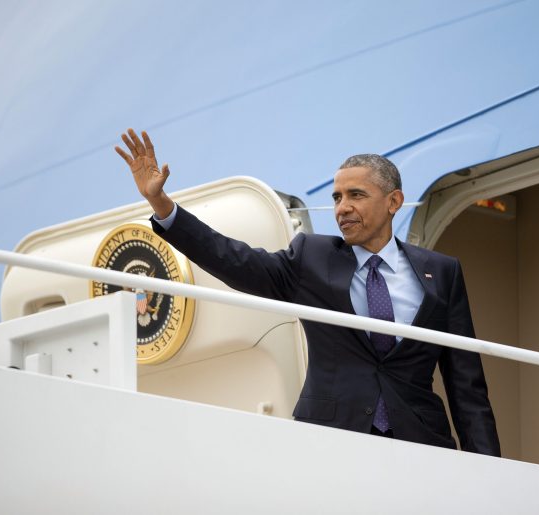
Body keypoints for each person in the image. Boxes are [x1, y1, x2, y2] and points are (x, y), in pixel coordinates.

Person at [115, 128, 501, 456]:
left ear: (394, 202)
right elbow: (234, 260)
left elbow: (467, 386)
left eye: (356, 195)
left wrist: (491, 473)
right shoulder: (312, 258)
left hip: (420, 446)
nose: (342, 208)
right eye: (337, 197)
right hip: (329, 443)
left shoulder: (442, 271)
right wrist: (162, 205)